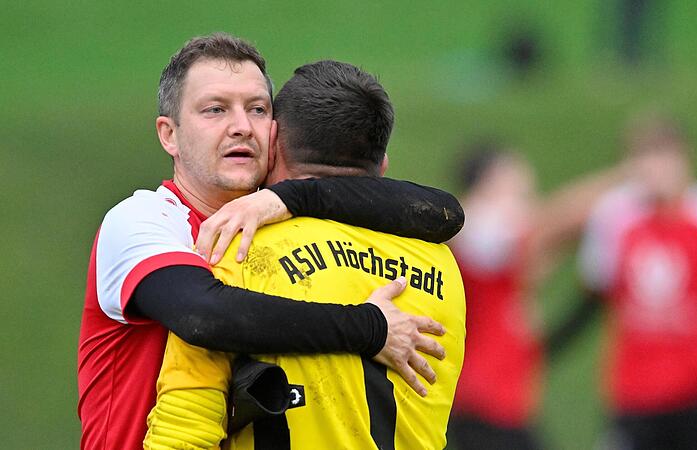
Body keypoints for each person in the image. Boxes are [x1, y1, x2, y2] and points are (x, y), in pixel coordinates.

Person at [77, 34, 464, 450]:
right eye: (215, 110)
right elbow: (206, 317)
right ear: (169, 134)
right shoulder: (143, 220)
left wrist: (288, 197)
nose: (242, 126)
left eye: (257, 109)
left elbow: (443, 212)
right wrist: (370, 327)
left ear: (275, 134)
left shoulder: (278, 224)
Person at [547, 116, 697, 449]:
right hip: (632, 390)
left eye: (663, 157)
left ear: (686, 159)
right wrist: (544, 349)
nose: (654, 169)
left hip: (695, 390)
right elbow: (592, 298)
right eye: (644, 157)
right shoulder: (614, 215)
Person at [447, 142, 624, 450]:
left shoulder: (493, 239)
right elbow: (559, 220)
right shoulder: (479, 225)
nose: (524, 198)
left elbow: (548, 246)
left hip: (500, 401)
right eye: (515, 186)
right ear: (488, 180)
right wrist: (627, 177)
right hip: (485, 400)